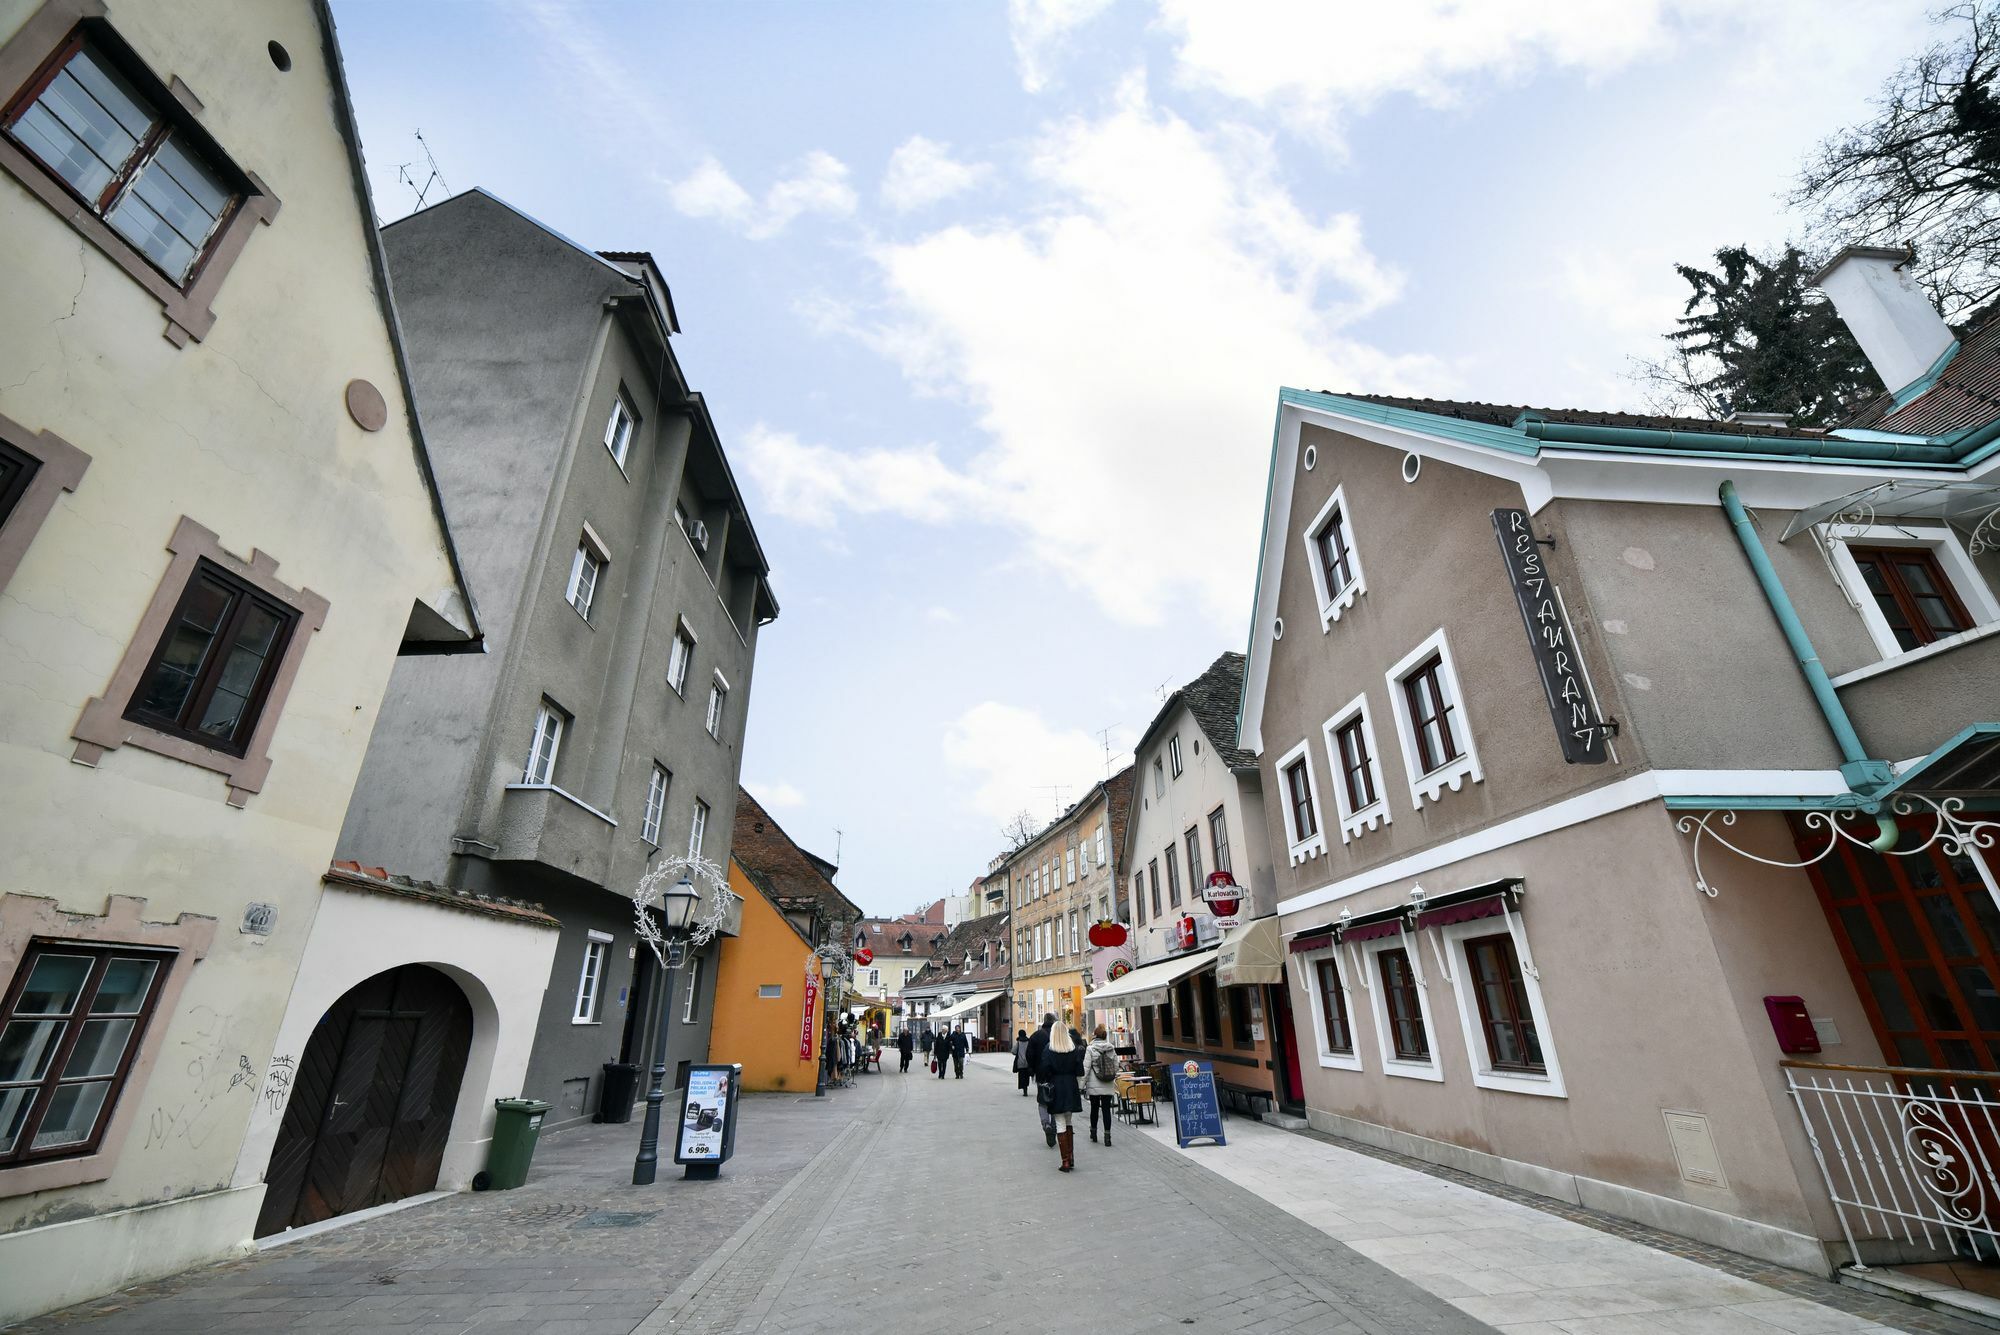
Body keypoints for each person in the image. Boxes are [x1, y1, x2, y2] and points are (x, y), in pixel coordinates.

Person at [1039, 1014, 1086, 1172]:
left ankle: (1065, 1161)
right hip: (1070, 1087)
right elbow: (1080, 1070)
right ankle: (1071, 1157)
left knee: (1059, 1122)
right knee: (1068, 1120)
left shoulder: (1049, 1049)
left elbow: (1044, 1070)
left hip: (1056, 1088)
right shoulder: (1072, 1049)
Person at [1083, 1023, 1118, 1147]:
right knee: (1106, 1110)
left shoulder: (1090, 1049)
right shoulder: (1111, 1048)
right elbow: (1116, 1066)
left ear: (1094, 1036)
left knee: (1094, 1109)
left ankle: (1093, 1133)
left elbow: (1086, 1068)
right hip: (1107, 1083)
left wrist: (1081, 1085)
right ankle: (1107, 1136)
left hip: (1094, 1084)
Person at [1024, 1013, 1056, 1145]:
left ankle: (1046, 1124)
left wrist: (1032, 1069)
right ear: (1053, 1022)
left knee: (1043, 1100)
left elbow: (1029, 1054)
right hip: (1056, 1073)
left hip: (1041, 1073)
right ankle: (1054, 1126)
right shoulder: (1057, 1035)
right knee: (1056, 1100)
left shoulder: (1036, 1036)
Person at [1011, 1029, 1031, 1097]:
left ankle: (1024, 1090)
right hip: (1028, 1063)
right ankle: (1026, 1089)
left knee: (1022, 1076)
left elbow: (1013, 1051)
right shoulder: (1029, 1042)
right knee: (1026, 1077)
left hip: (1020, 1063)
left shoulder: (1018, 1043)